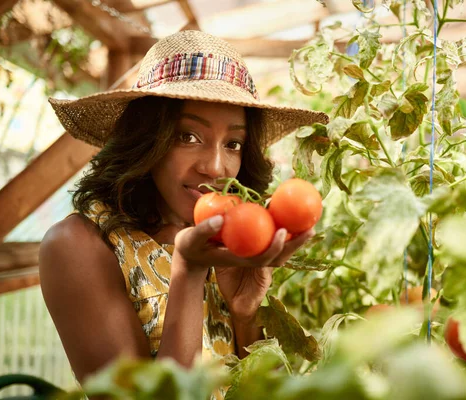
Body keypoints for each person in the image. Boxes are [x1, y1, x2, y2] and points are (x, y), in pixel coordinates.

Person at [38, 29, 328, 395]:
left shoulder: (229, 239)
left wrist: (244, 314)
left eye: (234, 143)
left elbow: (252, 386)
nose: (216, 167)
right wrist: (188, 272)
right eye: (188, 136)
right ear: (146, 138)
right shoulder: (77, 245)